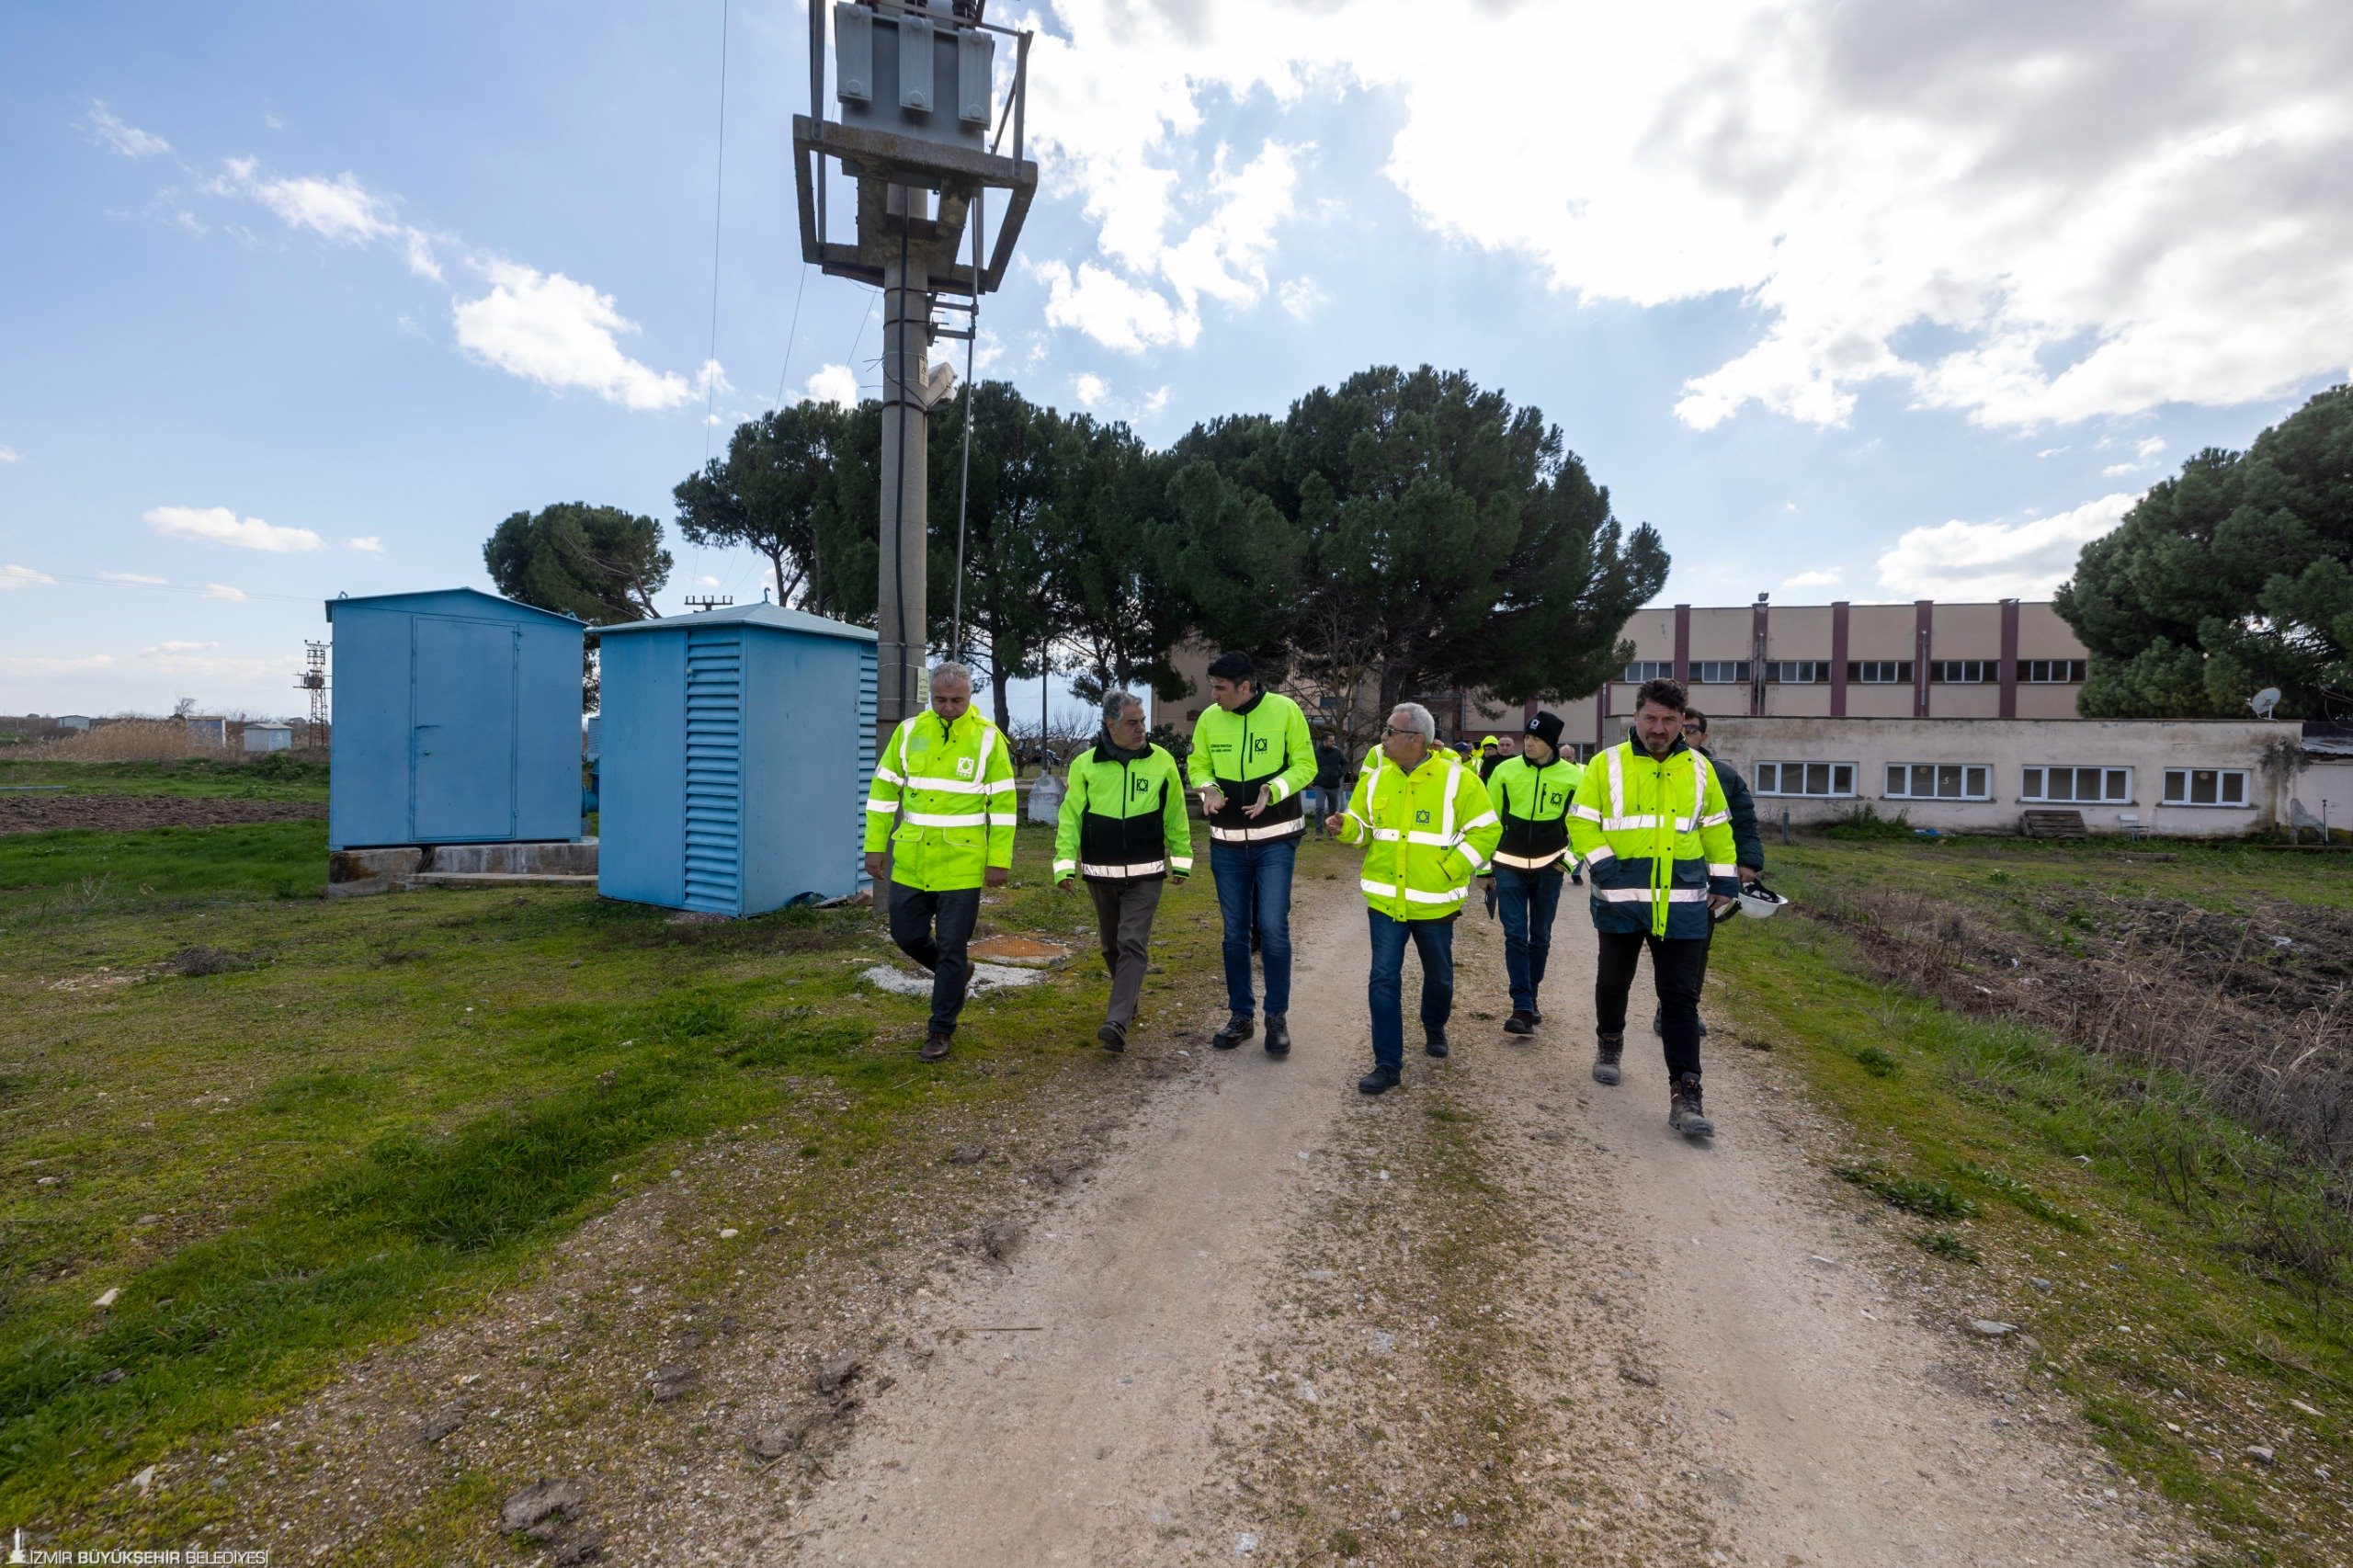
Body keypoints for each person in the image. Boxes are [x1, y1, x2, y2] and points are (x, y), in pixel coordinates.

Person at [1565, 677, 1740, 1136]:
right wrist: (1605, 868)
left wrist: (1725, 879)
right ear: (1636, 717)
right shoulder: (1605, 764)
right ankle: (1610, 1041)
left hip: (1682, 903)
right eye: (1650, 718)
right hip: (1621, 899)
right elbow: (1581, 822)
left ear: (1682, 722)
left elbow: (1716, 828)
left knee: (1681, 998)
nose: (1658, 728)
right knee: (1613, 981)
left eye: (1668, 719)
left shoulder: (1700, 770)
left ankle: (1687, 1095)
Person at [1325, 702, 1503, 1096]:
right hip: (1385, 902)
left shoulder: (1458, 780)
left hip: (1435, 902)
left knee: (1439, 976)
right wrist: (1345, 827)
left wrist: (1450, 869)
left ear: (1415, 739)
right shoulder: (1376, 779)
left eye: (1391, 731)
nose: (1383, 738)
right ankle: (1387, 1064)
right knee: (1383, 978)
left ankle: (1434, 1025)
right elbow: (1364, 830)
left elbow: (1487, 831)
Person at [864, 663, 1017, 1062]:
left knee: (952, 947)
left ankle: (940, 1029)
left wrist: (999, 860)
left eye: (957, 700)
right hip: (912, 859)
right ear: (930, 695)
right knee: (907, 936)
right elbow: (882, 794)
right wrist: (874, 846)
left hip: (961, 863)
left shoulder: (988, 739)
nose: (949, 707)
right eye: (940, 700)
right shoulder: (908, 731)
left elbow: (1003, 806)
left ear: (970, 696)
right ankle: (957, 973)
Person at [1187, 652, 1317, 1055]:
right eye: (1212, 686)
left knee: (1273, 927)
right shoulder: (1210, 719)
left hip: (1276, 841)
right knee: (1235, 932)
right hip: (1226, 843)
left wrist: (1273, 789)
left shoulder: (1285, 710)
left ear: (1245, 686)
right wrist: (1208, 789)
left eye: (1220, 688)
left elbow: (1306, 765)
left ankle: (1276, 1017)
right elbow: (1198, 764)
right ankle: (1241, 1016)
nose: (1214, 695)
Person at [1054, 691, 1192, 1052]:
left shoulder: (1162, 762)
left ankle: (1116, 1020)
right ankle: (1128, 998)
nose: (1141, 728)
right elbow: (1070, 818)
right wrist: (1064, 864)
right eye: (1132, 722)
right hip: (1101, 874)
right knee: (1111, 945)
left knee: (1132, 941)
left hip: (1147, 874)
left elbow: (1176, 815)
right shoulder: (1085, 765)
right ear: (1111, 725)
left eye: (1142, 721)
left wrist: (1181, 858)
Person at [1653, 708, 1765, 1040]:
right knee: (1657, 945)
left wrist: (1747, 864)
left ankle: (1680, 1010)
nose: (1684, 735)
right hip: (1657, 875)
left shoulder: (1723, 776)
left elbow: (1744, 823)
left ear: (1704, 736)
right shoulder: (1652, 769)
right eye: (1680, 728)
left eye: (1691, 730)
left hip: (1704, 880)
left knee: (1697, 947)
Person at [1479, 710, 1583, 1036]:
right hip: (1508, 865)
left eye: (1537, 738)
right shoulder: (1505, 770)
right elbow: (1487, 821)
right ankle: (1521, 1006)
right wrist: (1484, 868)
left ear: (1552, 742)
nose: (1529, 743)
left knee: (1540, 937)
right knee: (1514, 935)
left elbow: (1583, 826)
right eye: (1527, 737)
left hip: (1549, 869)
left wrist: (1568, 863)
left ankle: (1532, 995)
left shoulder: (1574, 777)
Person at [1308, 732, 1347, 838]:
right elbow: (1310, 766)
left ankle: (1331, 833)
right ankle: (1318, 833)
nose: (1333, 742)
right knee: (1319, 808)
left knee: (1333, 811)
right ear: (1324, 741)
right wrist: (1314, 779)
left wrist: (1339, 774)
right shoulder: (1316, 753)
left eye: (1334, 740)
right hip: (1320, 785)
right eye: (1331, 741)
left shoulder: (1338, 752)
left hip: (1334, 785)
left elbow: (1345, 763)